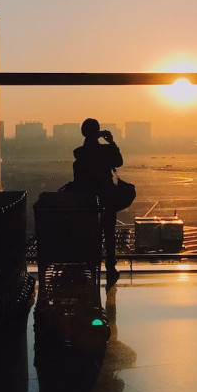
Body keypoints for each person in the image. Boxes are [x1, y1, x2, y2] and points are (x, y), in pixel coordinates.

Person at [72, 118, 124, 282]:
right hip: (106, 197)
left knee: (89, 235)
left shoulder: (78, 153)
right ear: (98, 132)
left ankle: (90, 267)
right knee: (109, 234)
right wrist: (111, 142)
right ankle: (110, 268)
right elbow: (119, 162)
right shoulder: (106, 151)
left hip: (86, 201)